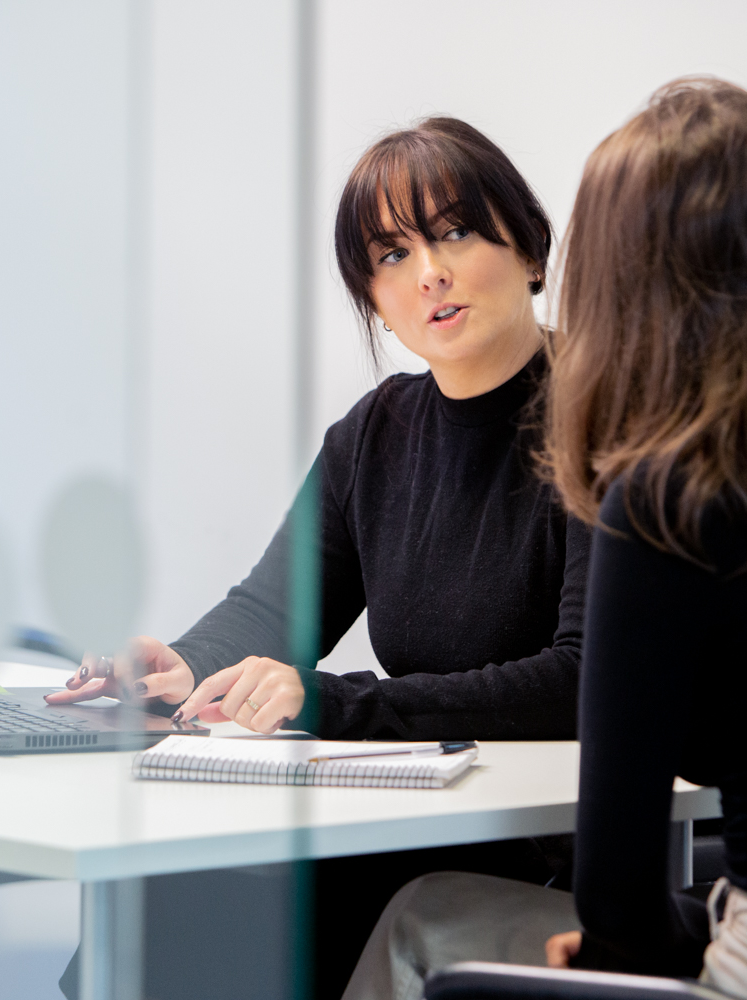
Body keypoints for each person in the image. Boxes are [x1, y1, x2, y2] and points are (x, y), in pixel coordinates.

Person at [339, 77, 747, 1000]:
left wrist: (642, 942)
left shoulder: (664, 504)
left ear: (628, 286)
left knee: (423, 911)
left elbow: (615, 898)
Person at [52, 117, 590, 1000]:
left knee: (227, 914)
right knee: (157, 895)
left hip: (532, 840)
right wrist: (180, 665)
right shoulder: (375, 435)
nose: (431, 273)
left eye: (455, 230)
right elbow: (275, 611)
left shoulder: (606, 420)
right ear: (373, 297)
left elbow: (577, 680)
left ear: (530, 247)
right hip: (408, 818)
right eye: (391, 255)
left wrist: (333, 704)